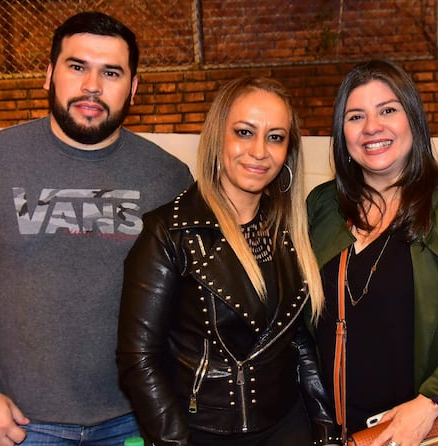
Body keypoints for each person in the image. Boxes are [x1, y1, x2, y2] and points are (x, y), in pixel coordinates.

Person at [0, 11, 192, 445]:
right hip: (17, 426)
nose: (92, 86)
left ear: (133, 88)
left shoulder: (169, 177)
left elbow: (192, 302)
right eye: (77, 66)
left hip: (136, 423)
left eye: (112, 72)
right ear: (49, 74)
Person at [116, 76, 339, 446]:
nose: (259, 151)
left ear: (289, 152)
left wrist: (325, 425)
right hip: (203, 432)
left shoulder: (289, 229)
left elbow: (296, 339)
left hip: (287, 425)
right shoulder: (169, 231)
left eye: (275, 137)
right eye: (244, 132)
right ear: (219, 137)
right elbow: (139, 359)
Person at [307, 59, 438, 446]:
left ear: (413, 120)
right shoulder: (321, 207)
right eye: (356, 116)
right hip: (337, 430)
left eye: (388, 110)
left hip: (426, 428)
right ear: (342, 134)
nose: (372, 127)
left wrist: (431, 402)